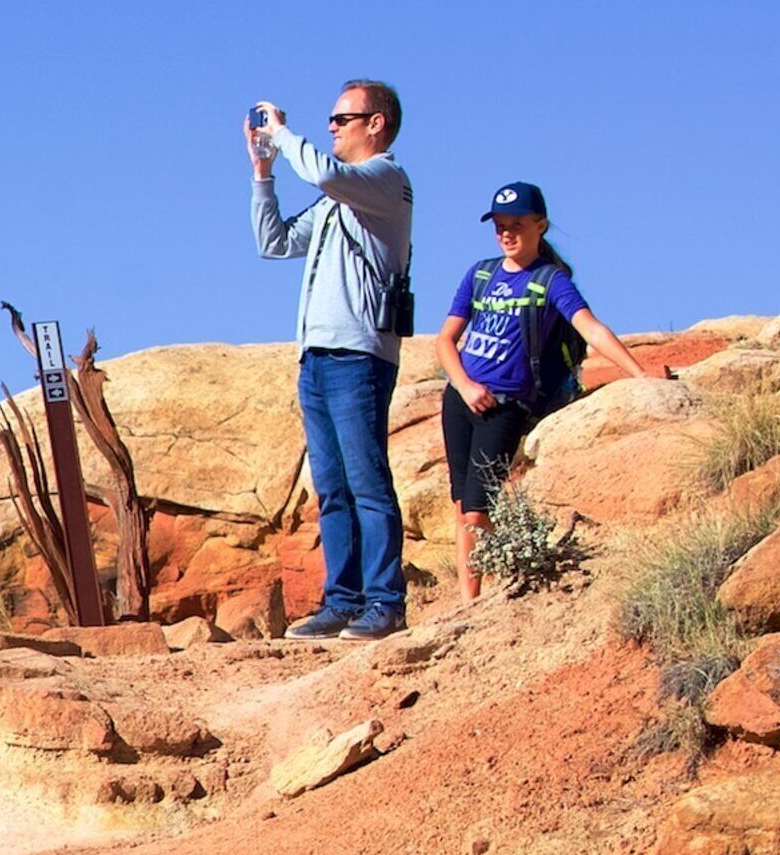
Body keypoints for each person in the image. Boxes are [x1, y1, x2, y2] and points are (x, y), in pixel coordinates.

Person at [435, 181, 675, 597]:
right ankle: (467, 599)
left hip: (504, 405)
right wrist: (464, 385)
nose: (507, 233)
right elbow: (445, 340)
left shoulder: (550, 280)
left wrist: (639, 375)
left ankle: (476, 600)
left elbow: (590, 327)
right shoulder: (480, 274)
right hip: (461, 398)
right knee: (462, 505)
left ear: (540, 225)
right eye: (499, 225)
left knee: (477, 508)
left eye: (517, 224)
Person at [250, 81, 416, 639]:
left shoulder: (385, 180)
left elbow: (324, 173)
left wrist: (281, 132)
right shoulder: (334, 200)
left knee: (367, 480)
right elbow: (272, 244)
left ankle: (385, 601)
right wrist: (263, 173)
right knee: (332, 487)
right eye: (330, 120)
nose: (332, 127)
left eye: (342, 119)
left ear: (377, 124)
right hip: (316, 356)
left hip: (358, 353)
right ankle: (342, 600)